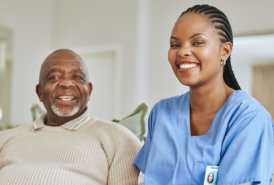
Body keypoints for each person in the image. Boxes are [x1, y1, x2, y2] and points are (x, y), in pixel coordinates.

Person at [134, 4, 274, 185]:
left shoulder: (248, 117)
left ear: (225, 51)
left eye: (197, 42)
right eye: (175, 44)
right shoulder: (161, 113)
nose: (183, 51)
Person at [0, 49, 141, 184]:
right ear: (40, 92)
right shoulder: (5, 139)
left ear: (89, 90)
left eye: (77, 77)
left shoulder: (120, 139)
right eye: (54, 77)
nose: (66, 84)